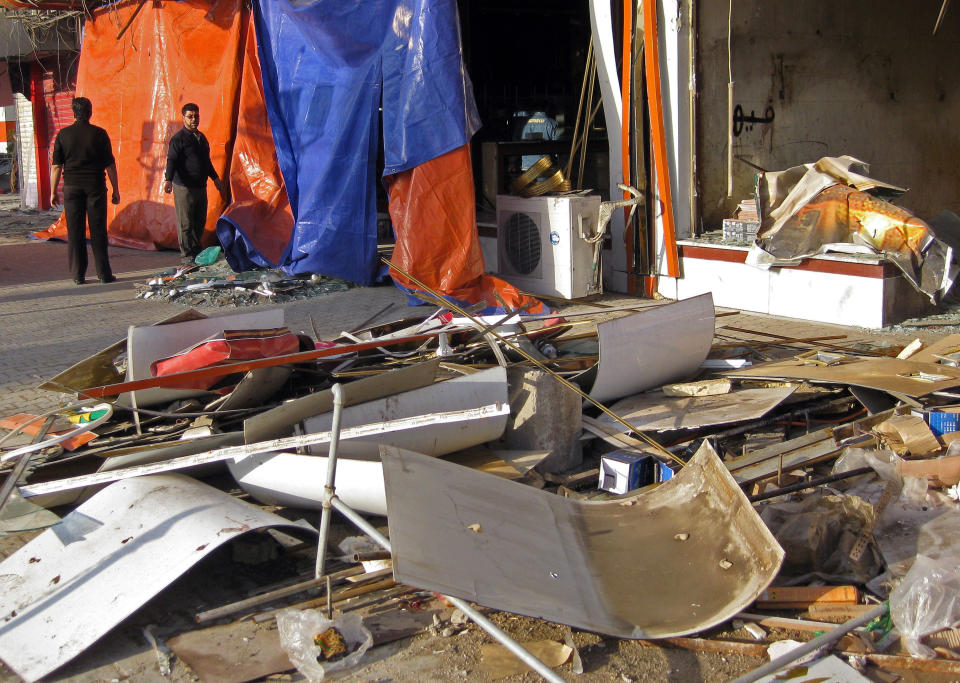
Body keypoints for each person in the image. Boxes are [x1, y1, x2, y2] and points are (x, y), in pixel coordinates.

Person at [50, 96, 120, 285]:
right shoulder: (99, 134)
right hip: (95, 187)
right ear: (90, 112)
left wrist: (52, 192)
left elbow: (56, 166)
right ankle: (104, 274)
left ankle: (78, 275)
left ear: (73, 112)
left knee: (75, 231)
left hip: (71, 188)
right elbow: (110, 165)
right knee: (98, 230)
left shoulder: (63, 135)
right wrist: (116, 189)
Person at [163, 103, 226, 263]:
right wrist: (168, 180)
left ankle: (196, 249)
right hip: (184, 186)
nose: (194, 120)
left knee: (199, 220)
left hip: (200, 186)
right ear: (183, 118)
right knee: (186, 222)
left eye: (196, 116)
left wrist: (215, 178)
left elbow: (206, 161)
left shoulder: (201, 138)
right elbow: (172, 160)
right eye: (190, 116)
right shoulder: (178, 139)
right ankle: (187, 254)